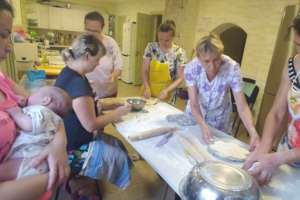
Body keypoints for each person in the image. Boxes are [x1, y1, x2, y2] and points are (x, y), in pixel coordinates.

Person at [0, 1, 70, 199]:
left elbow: (51, 116)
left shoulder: (2, 79)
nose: (10, 46)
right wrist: (54, 174)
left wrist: (58, 145)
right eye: (2, 35)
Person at [55, 33, 132, 197]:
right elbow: (91, 124)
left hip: (66, 139)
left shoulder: (69, 72)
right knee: (118, 156)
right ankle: (80, 184)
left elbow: (82, 106)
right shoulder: (77, 83)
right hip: (72, 148)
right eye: (97, 60)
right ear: (87, 55)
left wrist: (106, 103)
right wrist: (119, 113)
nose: (98, 65)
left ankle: (83, 182)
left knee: (118, 144)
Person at [243, 15, 300, 185]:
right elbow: (276, 113)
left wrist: (277, 159)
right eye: (298, 45)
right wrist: (264, 148)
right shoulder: (294, 65)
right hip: (287, 154)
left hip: (284, 157)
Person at [184, 34, 259, 150]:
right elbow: (194, 103)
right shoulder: (191, 68)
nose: (212, 66)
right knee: (191, 150)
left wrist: (252, 131)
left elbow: (242, 106)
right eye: (206, 61)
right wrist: (202, 125)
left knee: (217, 153)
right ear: (199, 58)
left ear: (221, 55)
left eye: (216, 60)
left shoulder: (232, 68)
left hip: (220, 119)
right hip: (196, 116)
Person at [3, 86, 71, 180]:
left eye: (34, 93)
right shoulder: (51, 117)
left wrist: (15, 112)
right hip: (32, 157)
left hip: (29, 158)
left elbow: (29, 125)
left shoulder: (43, 112)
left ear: (45, 100)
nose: (28, 96)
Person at [142, 20, 187, 100]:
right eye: (160, 39)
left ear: (173, 37)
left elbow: (180, 77)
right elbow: (145, 70)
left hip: (168, 94)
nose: (163, 42)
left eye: (167, 40)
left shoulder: (179, 53)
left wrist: (166, 90)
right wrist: (146, 87)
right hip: (149, 91)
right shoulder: (151, 47)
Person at [84, 11, 123, 99]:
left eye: (95, 31)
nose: (91, 34)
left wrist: (113, 76)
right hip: (87, 93)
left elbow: (119, 67)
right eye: (88, 30)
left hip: (107, 93)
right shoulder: (80, 43)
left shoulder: (110, 43)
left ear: (102, 29)